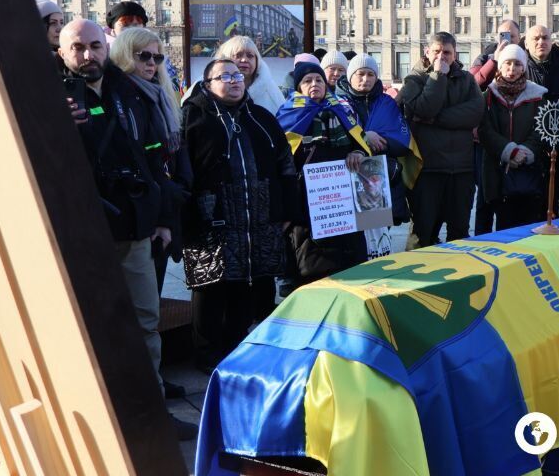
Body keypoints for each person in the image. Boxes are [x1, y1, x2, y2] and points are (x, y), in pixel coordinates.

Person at [57, 19, 193, 439]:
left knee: (146, 321)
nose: (87, 55)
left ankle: (151, 412)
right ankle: (98, 419)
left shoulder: (132, 92)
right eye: (77, 47)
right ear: (62, 51)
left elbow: (155, 162)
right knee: (90, 326)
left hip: (134, 227)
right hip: (81, 233)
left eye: (95, 46)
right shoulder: (47, 95)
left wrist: (164, 220)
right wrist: (55, 125)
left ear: (106, 48)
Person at [181, 58, 296, 361]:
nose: (234, 81)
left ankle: (238, 348)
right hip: (211, 217)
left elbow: (285, 163)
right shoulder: (192, 119)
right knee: (210, 288)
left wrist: (285, 210)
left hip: (258, 219)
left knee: (251, 283)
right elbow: (180, 172)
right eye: (224, 76)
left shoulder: (260, 117)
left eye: (237, 76)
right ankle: (207, 354)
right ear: (207, 84)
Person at [109, 26, 189, 297]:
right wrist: (163, 216)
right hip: (143, 214)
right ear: (125, 55)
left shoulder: (159, 94)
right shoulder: (120, 96)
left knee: (150, 301)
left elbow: (175, 153)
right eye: (144, 56)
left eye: (158, 57)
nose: (152, 63)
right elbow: (145, 162)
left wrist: (179, 191)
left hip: (164, 204)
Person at [277, 62, 372, 283]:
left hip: (344, 199)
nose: (314, 84)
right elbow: (280, 156)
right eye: (307, 80)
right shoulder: (289, 112)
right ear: (298, 87)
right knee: (312, 266)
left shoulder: (341, 109)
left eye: (318, 80)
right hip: (306, 203)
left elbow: (360, 140)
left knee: (350, 261)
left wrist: (357, 152)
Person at [397, 32, 484, 245]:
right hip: (428, 171)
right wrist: (438, 76)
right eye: (437, 51)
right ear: (427, 52)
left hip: (461, 170)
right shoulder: (414, 79)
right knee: (423, 234)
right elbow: (425, 108)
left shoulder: (467, 80)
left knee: (460, 234)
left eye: (447, 52)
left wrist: (435, 120)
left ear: (455, 54)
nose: (441, 57)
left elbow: (475, 112)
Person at [338, 53, 413, 248]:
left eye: (371, 74)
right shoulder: (337, 104)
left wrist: (382, 142)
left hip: (376, 183)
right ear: (350, 76)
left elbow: (402, 141)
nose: (365, 79)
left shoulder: (387, 103)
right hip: (346, 184)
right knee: (352, 244)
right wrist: (364, 137)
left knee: (377, 243)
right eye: (360, 73)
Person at [478, 44, 547, 230]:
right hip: (497, 170)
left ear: (523, 67)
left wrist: (524, 152)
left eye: (517, 64)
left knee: (528, 226)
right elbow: (485, 130)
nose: (512, 69)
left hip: (527, 170)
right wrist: (510, 151)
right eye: (507, 63)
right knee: (504, 225)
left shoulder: (538, 95)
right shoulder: (488, 96)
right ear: (500, 66)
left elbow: (541, 129)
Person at [214, 35, 285, 115]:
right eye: (238, 55)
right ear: (225, 59)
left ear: (257, 60)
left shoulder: (271, 92)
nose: (244, 60)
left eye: (250, 56)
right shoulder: (207, 89)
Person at [523, 24, 559, 102]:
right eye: (536, 39)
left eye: (545, 38)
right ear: (526, 44)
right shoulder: (520, 70)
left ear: (551, 42)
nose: (541, 42)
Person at [469, 19, 522, 89]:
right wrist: (494, 61)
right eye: (504, 36)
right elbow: (472, 85)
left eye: (512, 36)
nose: (508, 40)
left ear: (519, 38)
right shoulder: (484, 58)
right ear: (497, 38)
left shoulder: (526, 57)